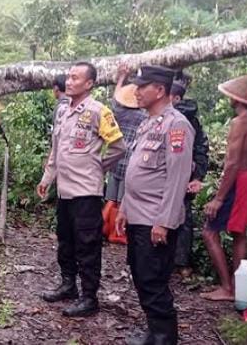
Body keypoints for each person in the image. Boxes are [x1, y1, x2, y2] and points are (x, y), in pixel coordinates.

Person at [36, 62, 126, 317]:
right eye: (69, 77)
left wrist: (98, 166)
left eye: (76, 78)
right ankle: (68, 285)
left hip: (86, 191)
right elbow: (56, 150)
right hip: (65, 191)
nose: (70, 81)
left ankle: (89, 297)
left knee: (88, 244)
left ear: (89, 84)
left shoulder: (99, 111)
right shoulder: (63, 111)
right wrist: (46, 179)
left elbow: (119, 147)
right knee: (65, 241)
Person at [115, 65, 194, 345]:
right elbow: (136, 171)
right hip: (138, 216)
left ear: (160, 90)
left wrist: (164, 221)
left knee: (153, 281)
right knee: (141, 277)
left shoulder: (177, 125)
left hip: (155, 220)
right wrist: (124, 207)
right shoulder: (148, 122)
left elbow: (177, 178)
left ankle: (164, 337)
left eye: (142, 87)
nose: (135, 92)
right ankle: (154, 332)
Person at [201, 75, 247, 302]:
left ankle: (227, 288)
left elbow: (232, 163)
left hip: (238, 180)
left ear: (236, 98)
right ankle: (239, 290)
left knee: (209, 232)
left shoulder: (239, 123)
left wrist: (219, 198)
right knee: (239, 234)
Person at [170, 78, 210, 277]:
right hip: (172, 175)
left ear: (176, 98)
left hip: (183, 175)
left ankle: (180, 262)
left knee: (182, 217)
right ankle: (175, 261)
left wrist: (197, 177)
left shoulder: (185, 119)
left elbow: (200, 148)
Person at [103, 65, 147, 237]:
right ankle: (118, 233)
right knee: (122, 200)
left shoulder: (117, 112)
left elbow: (115, 100)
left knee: (110, 198)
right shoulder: (143, 115)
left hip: (116, 159)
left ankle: (105, 229)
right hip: (131, 161)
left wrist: (121, 78)